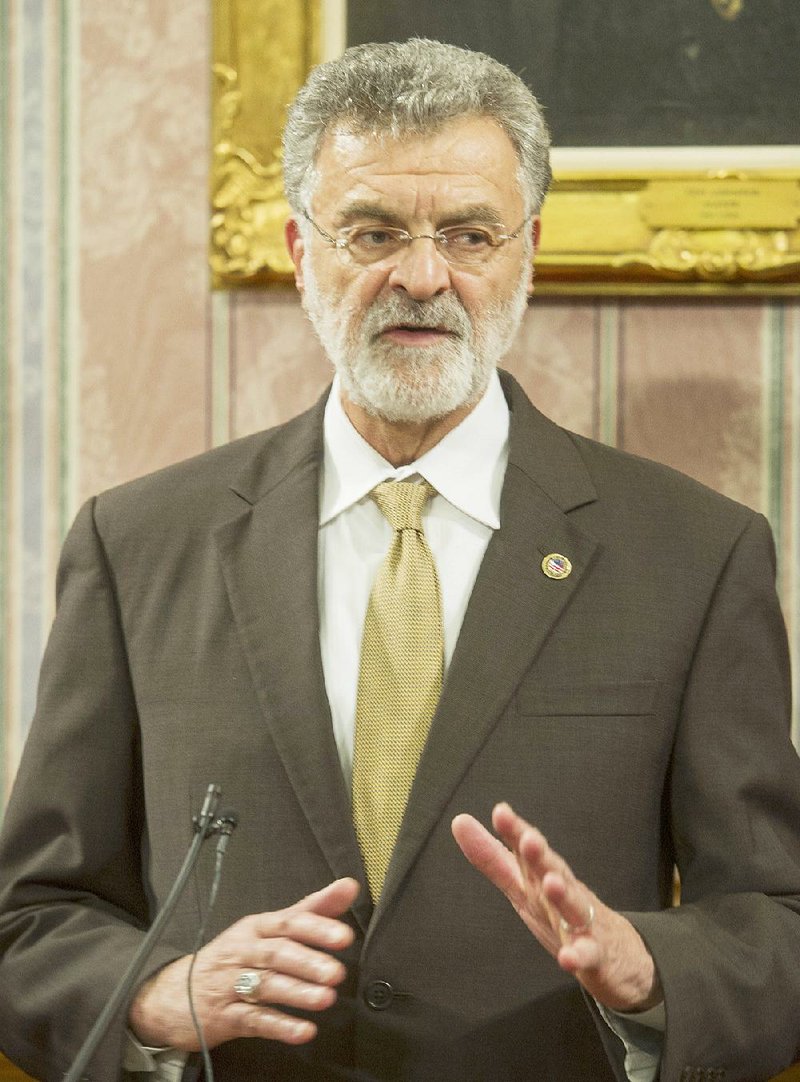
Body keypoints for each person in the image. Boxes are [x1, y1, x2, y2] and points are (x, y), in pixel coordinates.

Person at [1, 37, 799, 1082]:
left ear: (527, 250)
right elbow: (34, 917)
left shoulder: (693, 555)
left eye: (469, 234)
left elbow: (773, 927)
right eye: (371, 231)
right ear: (298, 247)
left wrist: (653, 969)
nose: (421, 276)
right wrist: (156, 993)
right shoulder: (137, 542)